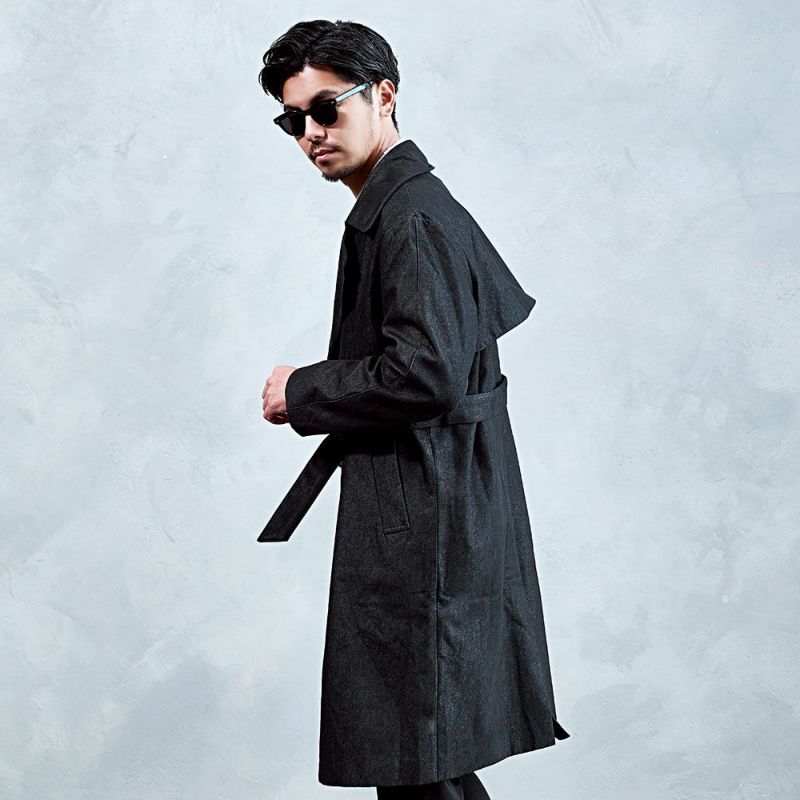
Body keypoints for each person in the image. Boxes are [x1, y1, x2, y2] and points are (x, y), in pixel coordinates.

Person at [257, 19, 570, 799]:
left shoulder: (413, 216)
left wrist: (305, 389)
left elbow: (427, 373)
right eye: (293, 120)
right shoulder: (395, 207)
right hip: (425, 503)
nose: (310, 132)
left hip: (428, 516)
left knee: (418, 754)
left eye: (325, 108)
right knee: (421, 760)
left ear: (385, 95)